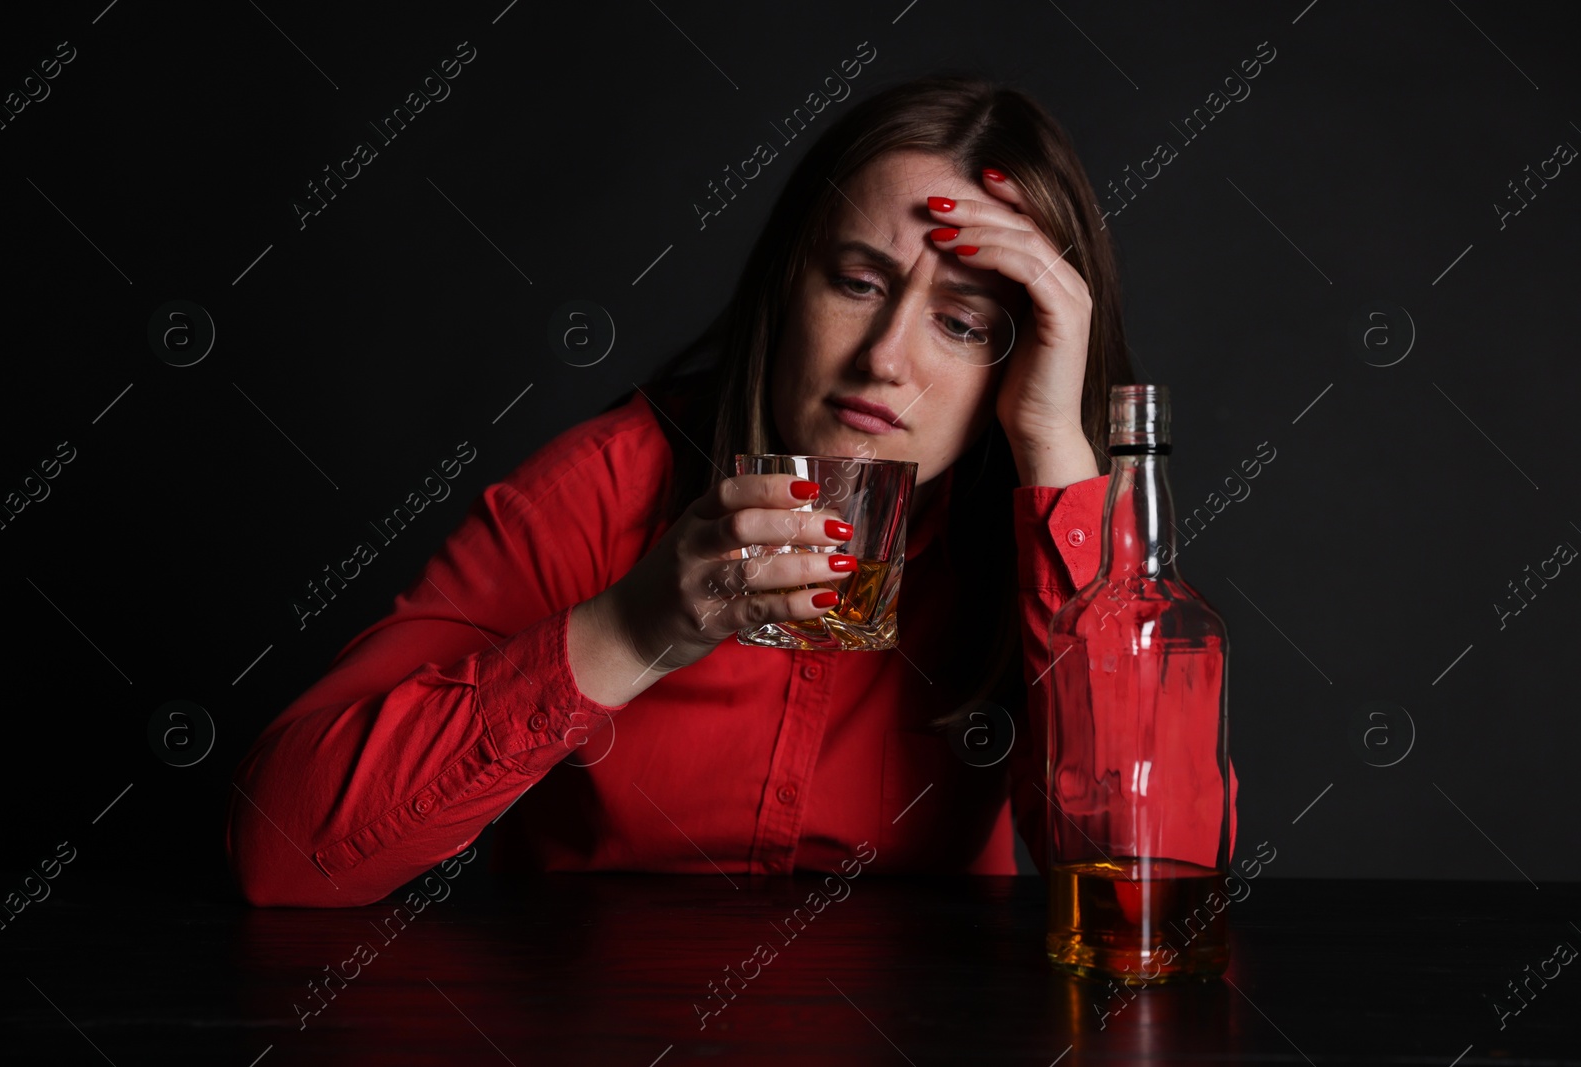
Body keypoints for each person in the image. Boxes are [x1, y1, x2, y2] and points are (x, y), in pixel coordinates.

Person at [226, 74, 1237, 908]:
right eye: (857, 281)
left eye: (962, 323)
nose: (886, 358)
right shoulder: (604, 484)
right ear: (784, 286)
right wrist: (632, 627)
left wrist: (1056, 445)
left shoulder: (1015, 531)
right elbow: (285, 854)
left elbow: (1147, 899)